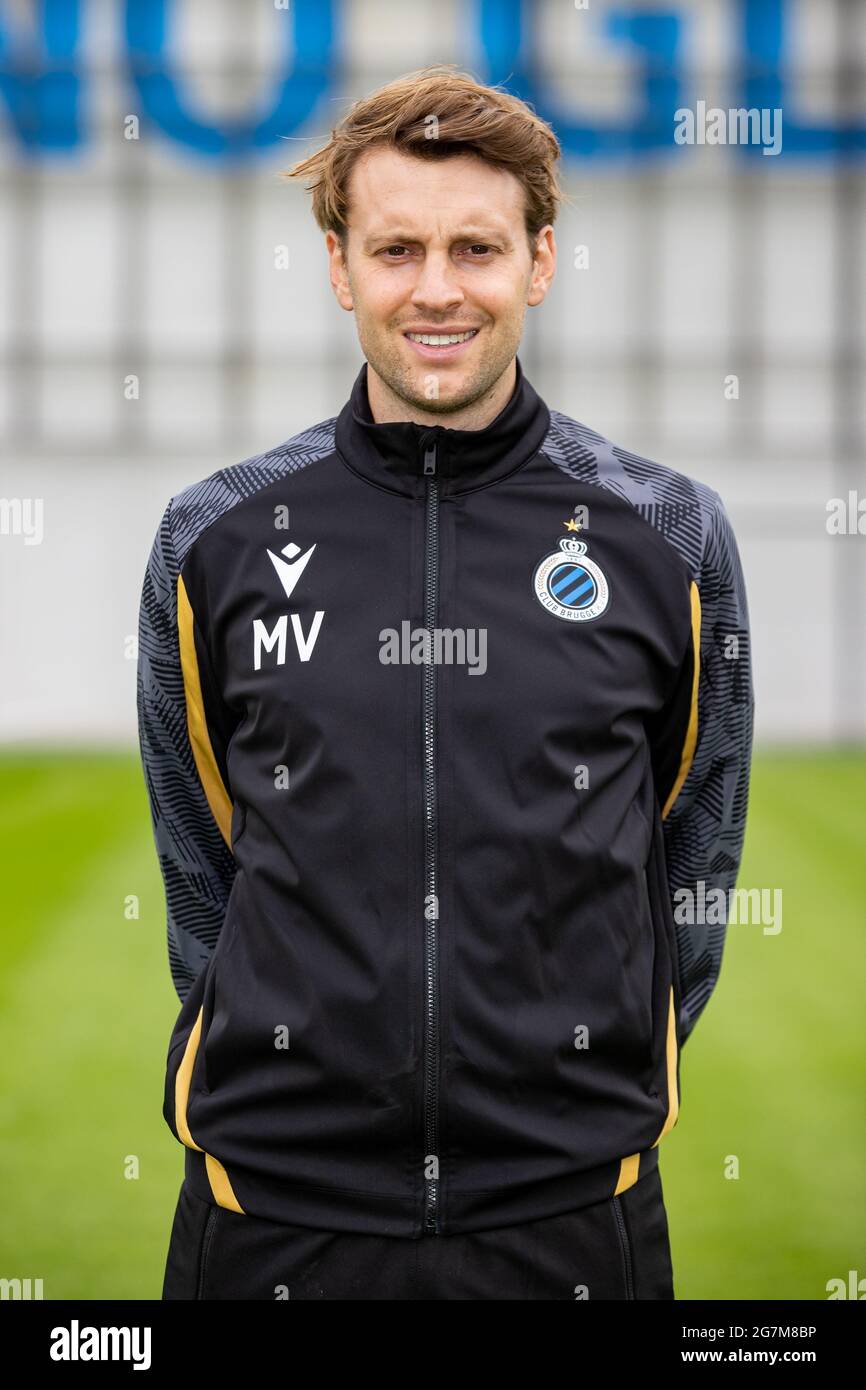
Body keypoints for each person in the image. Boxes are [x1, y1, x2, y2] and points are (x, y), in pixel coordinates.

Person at [137, 65, 754, 1301]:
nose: (434, 290)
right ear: (336, 266)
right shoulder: (213, 536)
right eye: (394, 248)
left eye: (474, 248)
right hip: (274, 1216)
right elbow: (201, 864)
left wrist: (580, 1096)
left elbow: (694, 853)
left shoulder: (667, 535)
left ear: (537, 260)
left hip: (571, 1218)